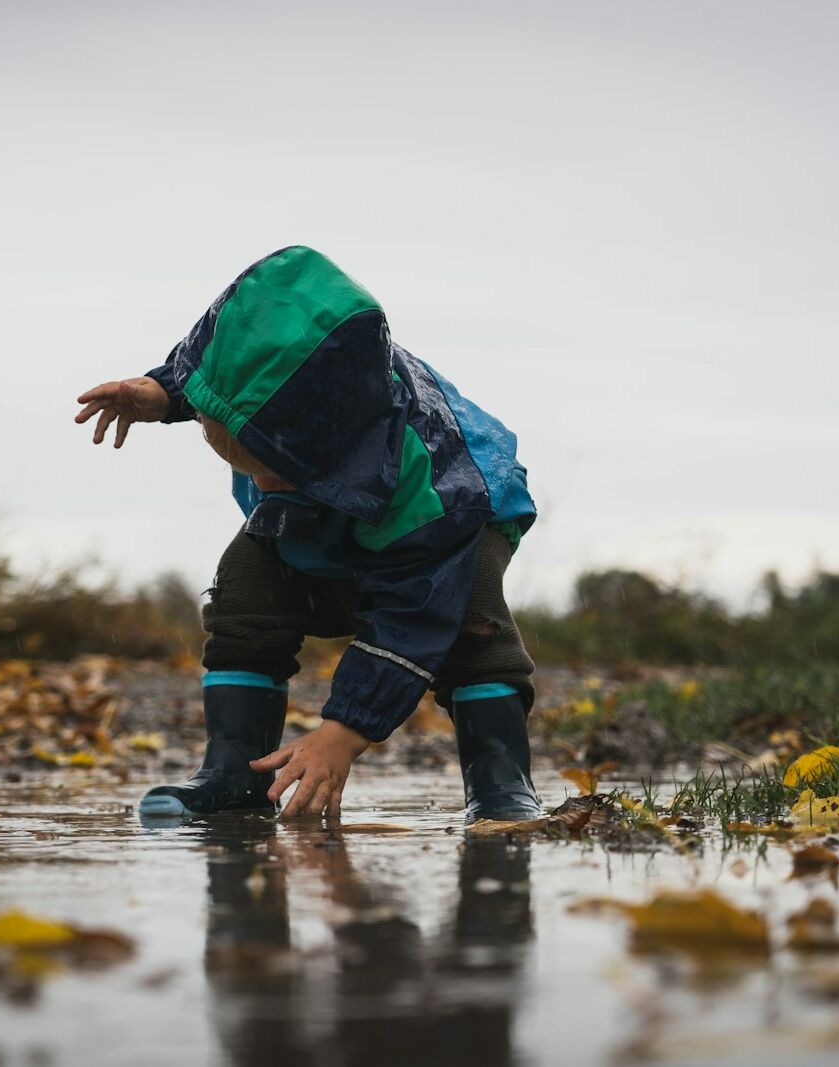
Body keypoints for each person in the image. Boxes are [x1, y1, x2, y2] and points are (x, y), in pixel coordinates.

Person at [74, 245, 540, 823]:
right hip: (329, 503)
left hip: (460, 517)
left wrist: (341, 735)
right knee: (246, 582)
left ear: (326, 440)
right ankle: (233, 772)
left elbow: (413, 616)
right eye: (239, 454)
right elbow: (230, 369)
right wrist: (165, 392)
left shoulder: (431, 496)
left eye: (278, 466)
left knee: (472, 623)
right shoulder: (265, 396)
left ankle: (500, 784)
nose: (263, 485)